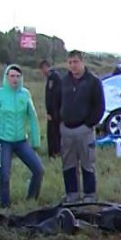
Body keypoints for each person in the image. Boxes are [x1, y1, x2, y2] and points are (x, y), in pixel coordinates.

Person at [0, 64, 44, 209]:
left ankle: (31, 200)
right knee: (4, 176)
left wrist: (36, 140)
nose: (15, 79)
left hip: (21, 141)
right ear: (6, 77)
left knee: (39, 170)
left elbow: (32, 118)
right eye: (12, 76)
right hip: (4, 141)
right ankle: (5, 207)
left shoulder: (25, 94)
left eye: (18, 76)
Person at [59, 50, 105, 203]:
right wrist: (60, 123)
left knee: (87, 163)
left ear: (82, 62)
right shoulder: (64, 81)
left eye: (76, 62)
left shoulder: (93, 82)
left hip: (84, 130)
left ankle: (89, 195)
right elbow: (56, 103)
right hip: (66, 130)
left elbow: (99, 107)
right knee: (68, 164)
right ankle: (72, 194)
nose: (73, 65)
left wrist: (88, 124)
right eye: (70, 62)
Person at [39, 60, 62, 158]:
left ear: (45, 67)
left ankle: (54, 153)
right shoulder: (55, 76)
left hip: (54, 112)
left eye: (42, 69)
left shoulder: (52, 77)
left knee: (53, 133)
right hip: (57, 111)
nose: (42, 72)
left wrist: (50, 112)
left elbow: (52, 97)